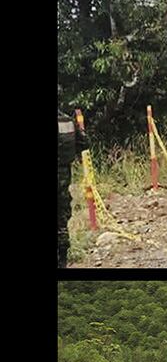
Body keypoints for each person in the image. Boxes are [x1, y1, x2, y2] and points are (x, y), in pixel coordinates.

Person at [57, 109, 82, 268]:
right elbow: (84, 143)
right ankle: (63, 259)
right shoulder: (67, 121)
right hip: (63, 177)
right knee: (61, 218)